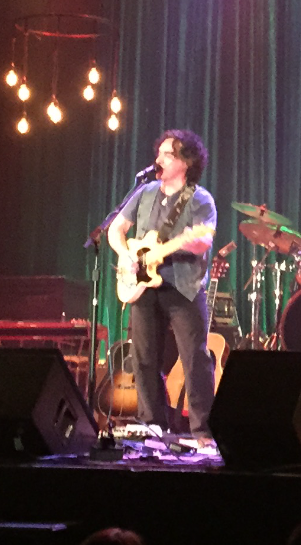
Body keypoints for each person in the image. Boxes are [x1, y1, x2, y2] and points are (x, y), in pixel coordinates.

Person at [108, 129, 216, 441]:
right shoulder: (144, 193)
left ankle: (203, 431)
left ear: (187, 162)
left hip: (183, 287)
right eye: (160, 153)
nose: (159, 159)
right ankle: (152, 423)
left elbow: (203, 240)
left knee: (195, 359)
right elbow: (116, 229)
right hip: (143, 286)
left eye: (168, 154)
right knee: (143, 358)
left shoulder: (200, 199)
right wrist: (127, 254)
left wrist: (182, 243)